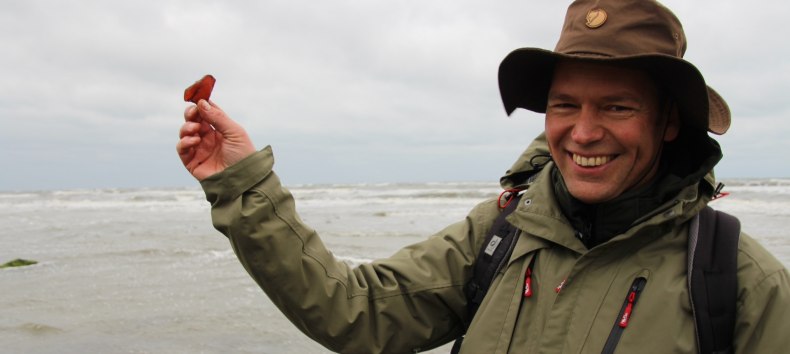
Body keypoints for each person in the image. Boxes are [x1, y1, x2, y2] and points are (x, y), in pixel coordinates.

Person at [177, 0, 790, 352]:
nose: (582, 132)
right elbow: (353, 310)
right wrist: (244, 185)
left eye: (617, 107)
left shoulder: (736, 282)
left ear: (669, 124)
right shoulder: (500, 232)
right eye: (564, 104)